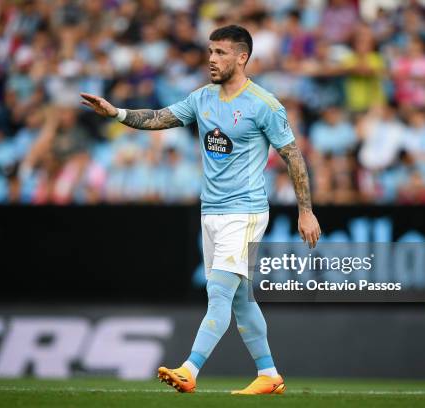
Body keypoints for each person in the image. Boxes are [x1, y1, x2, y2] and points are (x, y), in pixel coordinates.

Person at [81, 25, 320, 395]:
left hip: (245, 212)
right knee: (242, 298)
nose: (211, 59)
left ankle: (190, 369)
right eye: (210, 51)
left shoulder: (264, 104)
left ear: (242, 57)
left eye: (221, 53)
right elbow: (160, 117)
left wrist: (306, 210)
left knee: (220, 292)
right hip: (212, 212)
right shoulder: (202, 99)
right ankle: (269, 374)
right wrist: (116, 112)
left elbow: (293, 156)